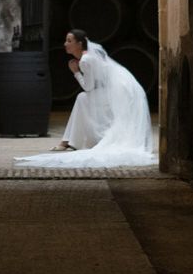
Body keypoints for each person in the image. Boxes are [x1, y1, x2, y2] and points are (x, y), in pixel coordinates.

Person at [14, 29, 157, 169]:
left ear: (80, 44)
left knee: (82, 97)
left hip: (119, 90)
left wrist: (76, 72)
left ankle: (68, 141)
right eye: (65, 40)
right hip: (119, 88)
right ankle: (69, 141)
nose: (65, 44)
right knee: (82, 99)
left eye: (69, 41)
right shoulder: (86, 56)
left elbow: (88, 87)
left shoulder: (85, 60)